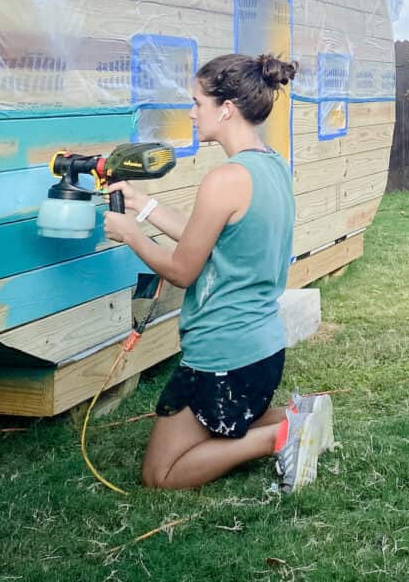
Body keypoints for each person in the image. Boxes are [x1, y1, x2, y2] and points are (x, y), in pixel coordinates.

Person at [104, 52, 334, 492]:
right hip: (262, 351)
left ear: (225, 108)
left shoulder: (225, 178)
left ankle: (281, 435)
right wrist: (144, 206)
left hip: (221, 357)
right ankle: (299, 415)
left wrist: (131, 235)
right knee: (217, 425)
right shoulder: (272, 166)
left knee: (159, 475)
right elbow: (206, 237)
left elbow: (182, 270)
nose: (192, 113)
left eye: (198, 102)